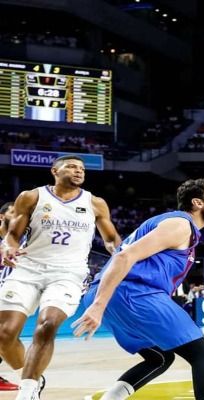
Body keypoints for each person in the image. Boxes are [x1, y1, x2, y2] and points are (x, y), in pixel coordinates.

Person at [73, 178, 204, 400]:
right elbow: (124, 256)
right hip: (134, 293)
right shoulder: (180, 225)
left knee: (160, 357)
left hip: (109, 293)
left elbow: (199, 249)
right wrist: (98, 306)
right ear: (197, 203)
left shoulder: (179, 229)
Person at [0, 155, 121, 400]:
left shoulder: (95, 203)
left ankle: (28, 391)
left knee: (47, 325)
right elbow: (12, 235)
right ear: (55, 171)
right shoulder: (31, 197)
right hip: (28, 269)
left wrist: (119, 254)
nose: (79, 171)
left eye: (82, 168)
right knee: (4, 334)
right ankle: (32, 375)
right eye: (72, 167)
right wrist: (8, 248)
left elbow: (110, 239)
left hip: (68, 273)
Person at [0, 202, 19, 391]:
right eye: (13, 212)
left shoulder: (19, 240)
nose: (17, 215)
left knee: (5, 334)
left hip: (9, 293)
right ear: (1, 217)